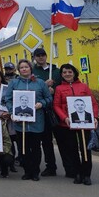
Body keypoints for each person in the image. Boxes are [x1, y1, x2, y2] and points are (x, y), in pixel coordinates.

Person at [3, 59, 50, 181]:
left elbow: (49, 98)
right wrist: (12, 112)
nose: (24, 69)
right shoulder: (14, 83)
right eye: (21, 67)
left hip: (36, 121)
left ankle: (35, 172)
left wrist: (41, 103)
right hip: (20, 122)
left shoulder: (40, 83)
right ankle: (27, 171)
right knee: (23, 147)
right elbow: (7, 99)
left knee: (35, 148)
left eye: (26, 67)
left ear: (30, 68)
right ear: (19, 70)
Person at [53, 64, 98, 185]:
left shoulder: (83, 86)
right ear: (61, 75)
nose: (67, 74)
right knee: (72, 149)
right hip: (67, 124)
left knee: (85, 149)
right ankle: (77, 173)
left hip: (85, 123)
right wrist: (64, 117)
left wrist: (94, 117)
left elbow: (92, 103)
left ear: (74, 73)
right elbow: (56, 105)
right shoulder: (59, 88)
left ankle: (86, 174)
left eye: (69, 72)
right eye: (64, 72)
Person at [31, 47, 61, 177]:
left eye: (43, 55)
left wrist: (55, 89)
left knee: (62, 140)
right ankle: (51, 166)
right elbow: (31, 88)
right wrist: (44, 85)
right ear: (34, 57)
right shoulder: (32, 72)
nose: (41, 57)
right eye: (38, 55)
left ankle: (70, 166)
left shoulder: (56, 71)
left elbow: (62, 86)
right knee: (46, 141)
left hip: (56, 110)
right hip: (41, 111)